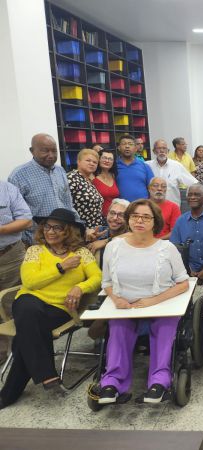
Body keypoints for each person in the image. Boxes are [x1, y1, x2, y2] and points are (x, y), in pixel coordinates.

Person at [0, 208, 101, 409]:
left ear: (69, 231)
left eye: (57, 227)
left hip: (59, 308)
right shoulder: (34, 251)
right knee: (29, 309)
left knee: (25, 335)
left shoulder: (81, 253)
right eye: (47, 226)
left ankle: (10, 393)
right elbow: (30, 282)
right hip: (29, 301)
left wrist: (79, 287)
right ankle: (47, 376)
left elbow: (97, 278)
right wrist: (61, 267)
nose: (50, 231)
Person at [98, 199, 189, 404]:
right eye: (135, 216)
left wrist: (153, 300)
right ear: (128, 220)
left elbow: (183, 283)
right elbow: (106, 282)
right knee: (119, 327)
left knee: (165, 326)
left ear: (154, 221)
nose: (140, 220)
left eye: (146, 217)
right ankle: (112, 383)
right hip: (126, 304)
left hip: (161, 303)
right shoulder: (113, 247)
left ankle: (159, 381)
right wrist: (116, 299)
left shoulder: (167, 248)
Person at [8, 133, 77, 244]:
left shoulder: (60, 171)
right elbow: (14, 214)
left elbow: (68, 204)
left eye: (54, 151)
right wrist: (26, 241)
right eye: (45, 150)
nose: (51, 155)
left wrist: (78, 227)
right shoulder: (18, 175)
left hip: (65, 237)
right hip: (37, 240)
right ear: (32, 151)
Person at [0, 181, 32, 363]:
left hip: (10, 255)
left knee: (14, 304)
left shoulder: (7, 189)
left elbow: (26, 220)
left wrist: (1, 229)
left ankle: (21, 354)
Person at [170, 184, 203, 283]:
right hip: (185, 270)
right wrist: (188, 269)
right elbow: (174, 249)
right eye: (190, 195)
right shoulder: (181, 221)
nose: (192, 197)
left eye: (197, 194)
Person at [146, 139, 198, 206]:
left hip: (172, 208)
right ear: (154, 151)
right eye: (159, 148)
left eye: (164, 148)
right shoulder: (147, 166)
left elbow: (193, 183)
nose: (162, 151)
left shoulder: (176, 166)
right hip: (152, 208)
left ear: (168, 151)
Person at [67, 149, 104, 230]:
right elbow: (66, 206)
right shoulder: (71, 178)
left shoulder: (89, 180)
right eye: (88, 160)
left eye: (95, 162)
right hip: (79, 230)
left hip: (95, 230)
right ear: (78, 161)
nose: (91, 163)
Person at [86, 198, 130, 263]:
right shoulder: (99, 231)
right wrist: (87, 238)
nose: (115, 218)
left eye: (121, 215)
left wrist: (108, 241)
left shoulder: (132, 236)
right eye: (112, 213)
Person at [115, 134, 154, 202]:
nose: (127, 146)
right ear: (119, 147)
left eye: (130, 144)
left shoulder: (145, 166)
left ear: (135, 148)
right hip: (121, 208)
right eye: (124, 144)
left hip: (142, 206)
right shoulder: (114, 166)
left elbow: (152, 188)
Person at [92, 149, 120, 218]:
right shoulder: (91, 177)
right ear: (98, 159)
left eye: (110, 159)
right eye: (104, 158)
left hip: (114, 217)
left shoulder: (113, 176)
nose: (107, 161)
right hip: (99, 217)